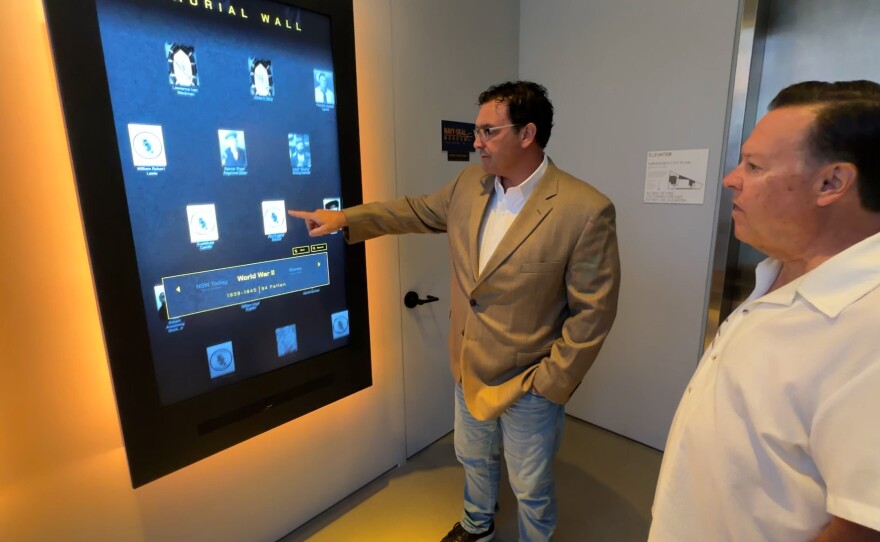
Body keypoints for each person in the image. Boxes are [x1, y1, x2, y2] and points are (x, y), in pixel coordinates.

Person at [289, 81, 620, 542]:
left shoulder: (584, 209)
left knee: (531, 484)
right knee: (472, 457)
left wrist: (552, 383)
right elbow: (414, 211)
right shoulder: (470, 186)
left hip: (530, 380)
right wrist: (346, 218)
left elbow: (593, 312)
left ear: (527, 134)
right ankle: (477, 524)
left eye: (488, 131)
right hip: (468, 365)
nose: (476, 142)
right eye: (475, 130)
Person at [649, 80, 880, 541]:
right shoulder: (778, 271)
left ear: (832, 182)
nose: (730, 179)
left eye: (754, 166)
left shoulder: (866, 328)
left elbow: (862, 527)